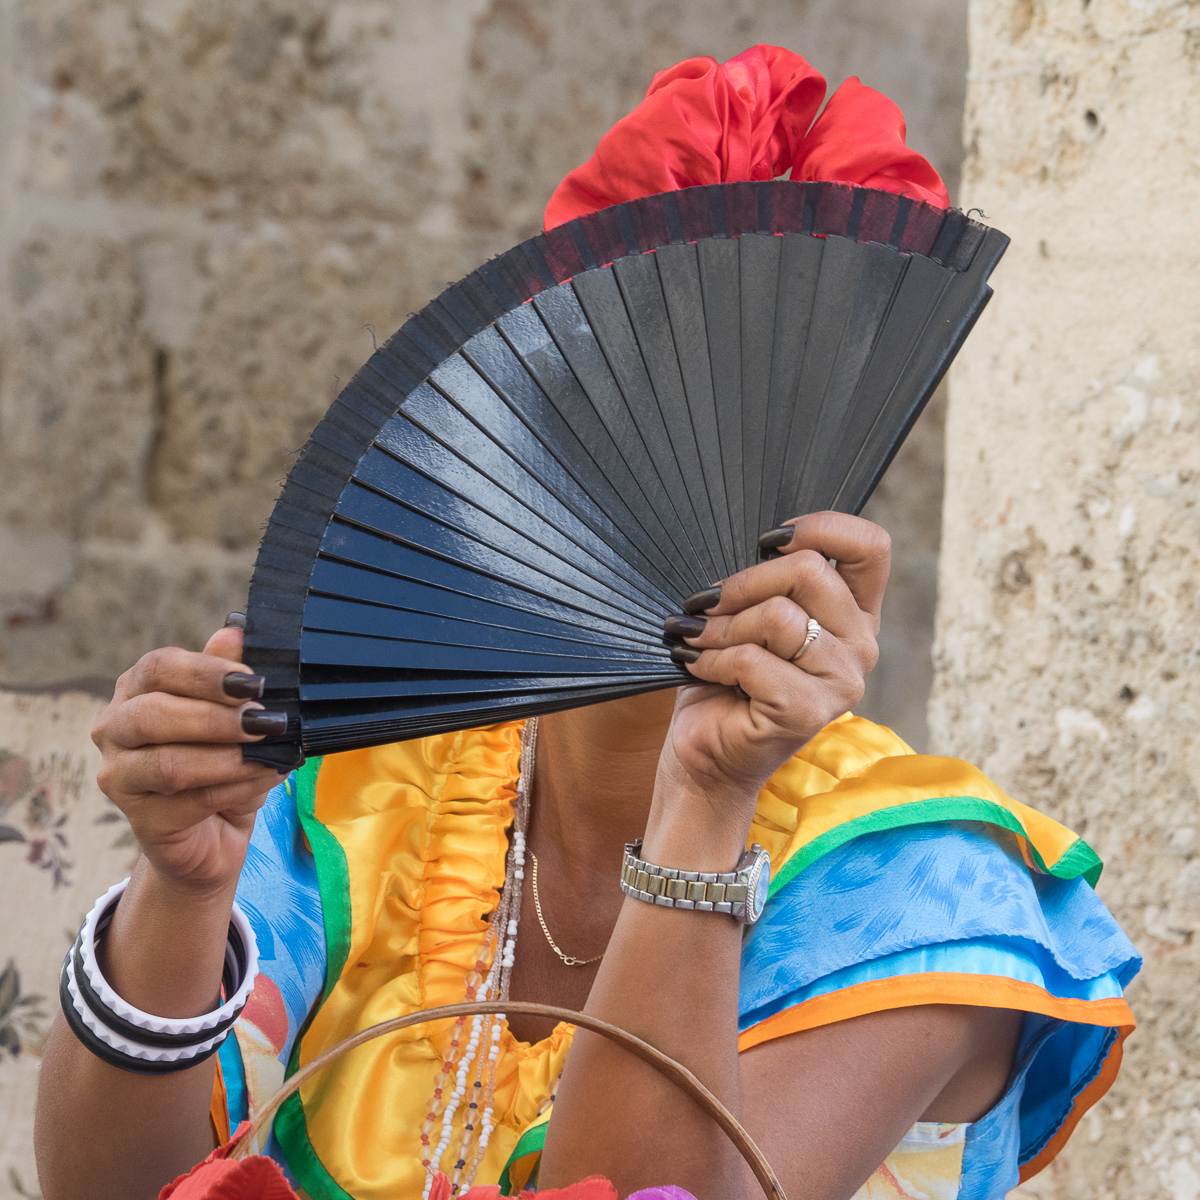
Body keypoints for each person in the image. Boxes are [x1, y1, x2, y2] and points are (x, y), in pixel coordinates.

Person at [35, 47, 1138, 1200]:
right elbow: (106, 1189)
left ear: (840, 434)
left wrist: (706, 800)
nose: (680, 445)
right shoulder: (363, 794)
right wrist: (183, 886)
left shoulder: (924, 887)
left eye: (755, 392)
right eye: (633, 376)